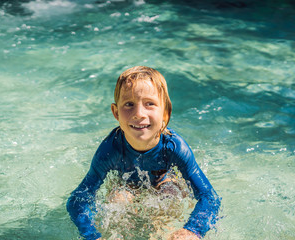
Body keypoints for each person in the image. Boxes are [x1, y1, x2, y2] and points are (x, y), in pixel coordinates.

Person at [67, 66, 221, 240]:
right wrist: (93, 235)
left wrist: (193, 230)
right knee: (117, 200)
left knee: (169, 196)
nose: (139, 114)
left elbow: (209, 197)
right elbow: (77, 201)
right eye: (129, 104)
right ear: (116, 112)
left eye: (150, 104)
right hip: (126, 186)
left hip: (164, 181)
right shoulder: (110, 150)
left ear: (165, 113)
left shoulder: (174, 147)